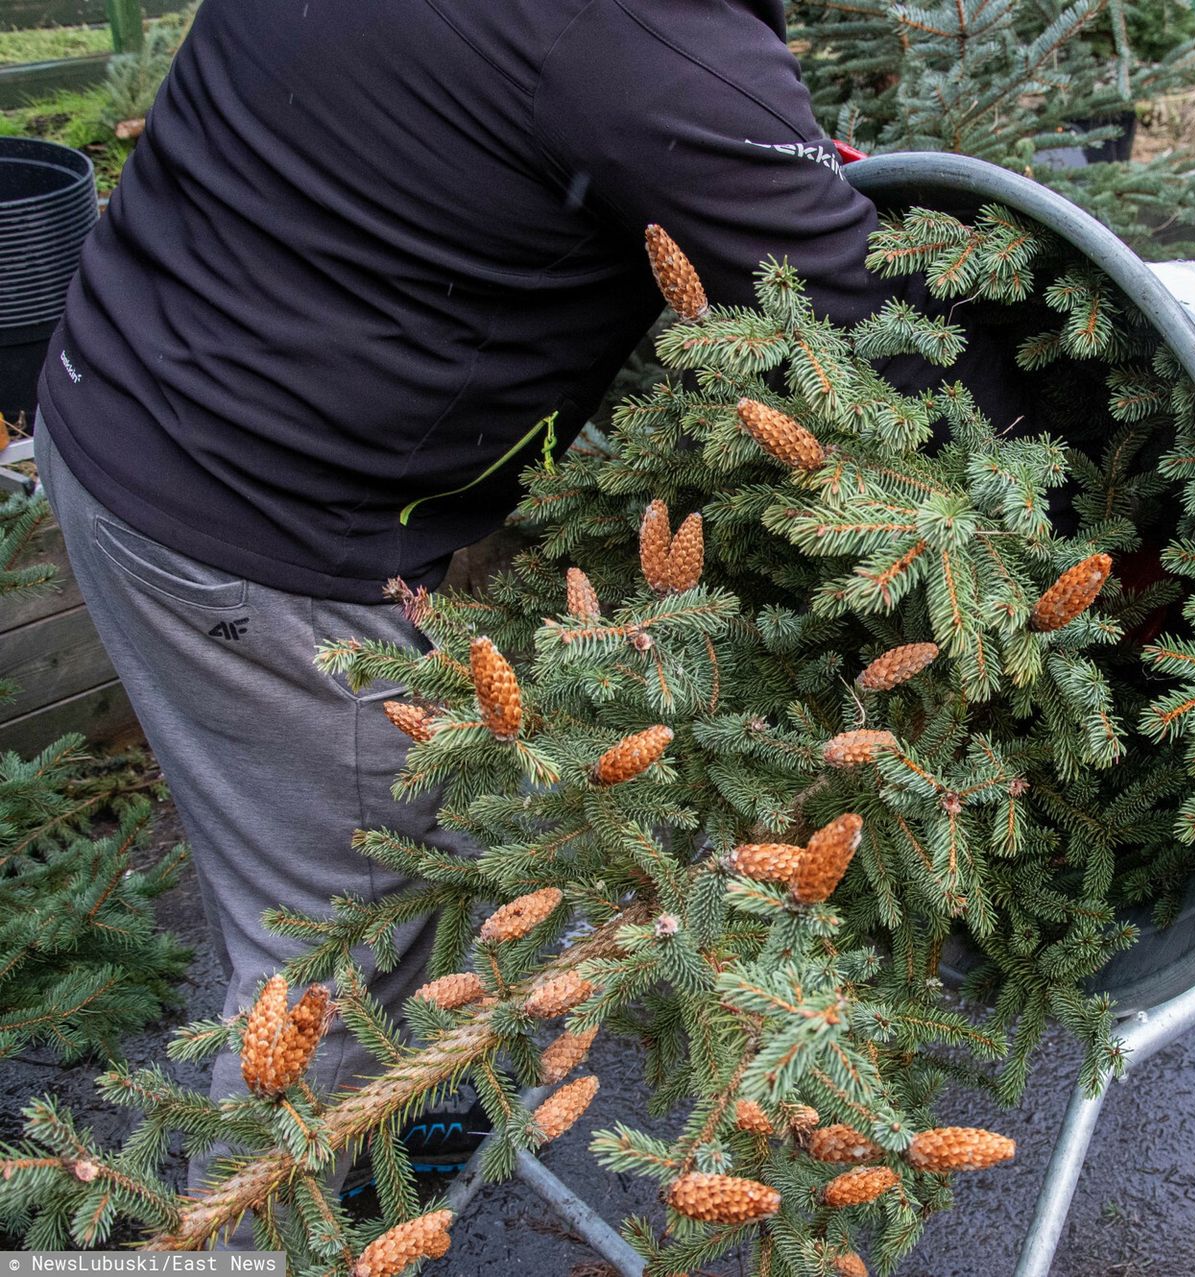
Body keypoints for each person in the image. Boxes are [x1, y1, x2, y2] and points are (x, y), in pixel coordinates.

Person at [31, 0, 995, 1195]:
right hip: (255, 533)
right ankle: (253, 1227)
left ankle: (416, 1140)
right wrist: (1016, 479)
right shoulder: (641, 41)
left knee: (399, 855)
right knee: (353, 942)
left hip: (124, 389)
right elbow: (868, 329)